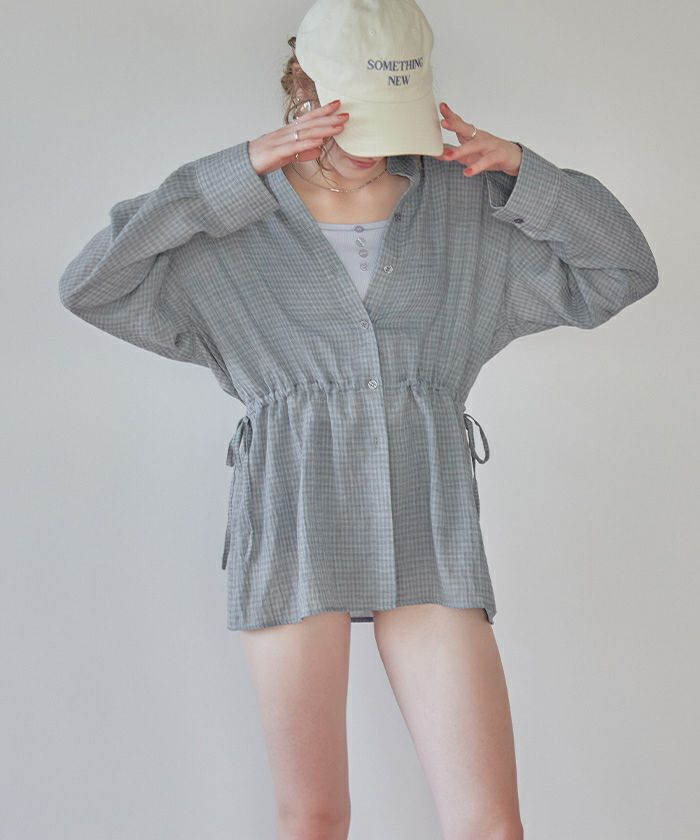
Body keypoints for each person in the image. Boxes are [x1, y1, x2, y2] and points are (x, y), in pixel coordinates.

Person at [58, 0, 659, 837]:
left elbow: (622, 270)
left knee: (490, 825)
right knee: (314, 818)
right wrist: (231, 173)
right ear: (305, 88)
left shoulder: (465, 204)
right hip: (292, 516)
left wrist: (530, 173)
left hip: (429, 516)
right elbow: (92, 285)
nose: (376, 142)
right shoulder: (237, 216)